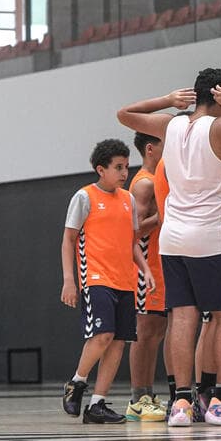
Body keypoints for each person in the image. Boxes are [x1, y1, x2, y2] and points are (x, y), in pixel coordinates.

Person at [116, 68, 221, 427]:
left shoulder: (171, 125)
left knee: (183, 316)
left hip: (172, 239)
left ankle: (182, 402)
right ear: (220, 96)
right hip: (211, 235)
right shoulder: (220, 127)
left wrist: (167, 100)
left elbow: (124, 114)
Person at [60, 139, 153, 424]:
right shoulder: (84, 197)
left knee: (118, 343)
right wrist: (69, 280)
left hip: (125, 280)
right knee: (102, 336)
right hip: (96, 278)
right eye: (118, 167)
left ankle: (97, 404)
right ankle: (76, 383)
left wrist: (145, 268)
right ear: (101, 169)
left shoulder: (128, 199)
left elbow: (132, 241)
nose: (124, 173)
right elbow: (68, 239)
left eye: (126, 167)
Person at [125, 131, 168, 422]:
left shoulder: (159, 180)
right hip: (145, 265)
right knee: (144, 332)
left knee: (156, 333)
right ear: (151, 149)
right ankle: (137, 397)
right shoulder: (144, 183)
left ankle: (147, 392)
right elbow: (134, 231)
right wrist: (163, 216)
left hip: (161, 263)